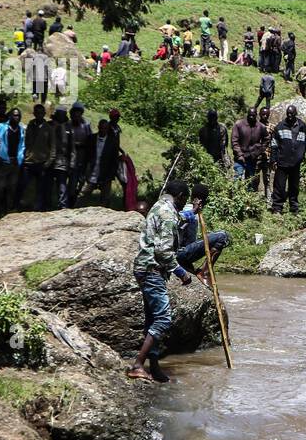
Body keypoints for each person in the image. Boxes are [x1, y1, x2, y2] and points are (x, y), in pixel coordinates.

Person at [127, 179, 194, 382]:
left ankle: (154, 367)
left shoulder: (158, 206)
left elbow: (168, 226)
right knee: (163, 318)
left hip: (144, 268)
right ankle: (138, 364)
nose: (184, 204)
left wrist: (187, 216)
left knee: (152, 318)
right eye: (185, 200)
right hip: (152, 270)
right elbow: (163, 251)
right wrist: (181, 272)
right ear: (180, 196)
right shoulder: (167, 214)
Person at [176, 183, 231, 280]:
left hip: (182, 252)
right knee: (223, 235)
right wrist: (193, 212)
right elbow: (180, 225)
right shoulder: (189, 211)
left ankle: (192, 268)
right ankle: (204, 273)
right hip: (181, 253)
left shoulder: (186, 209)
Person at [0, 107, 26, 219]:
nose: (16, 117)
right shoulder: (1, 127)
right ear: (9, 116)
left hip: (15, 163)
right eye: (14, 115)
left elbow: (23, 145)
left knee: (11, 189)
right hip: (2, 162)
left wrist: (21, 157)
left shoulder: (21, 129)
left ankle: (7, 214)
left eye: (18, 115)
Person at [270, 104, 306, 214]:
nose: (290, 115)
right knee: (279, 187)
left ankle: (294, 209)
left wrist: (301, 155)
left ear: (296, 114)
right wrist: (273, 160)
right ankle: (277, 208)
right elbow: (274, 144)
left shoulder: (302, 126)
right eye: (288, 114)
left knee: (294, 187)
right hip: (282, 162)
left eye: (292, 113)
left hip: (296, 164)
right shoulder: (280, 126)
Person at [21, 102, 55, 211]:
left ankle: (38, 208)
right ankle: (25, 206)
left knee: (41, 188)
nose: (39, 114)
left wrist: (48, 162)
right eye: (37, 112)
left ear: (44, 113)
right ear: (34, 113)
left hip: (42, 162)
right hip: (29, 161)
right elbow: (25, 142)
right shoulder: (30, 126)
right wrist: (25, 156)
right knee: (25, 185)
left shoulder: (49, 129)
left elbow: (53, 148)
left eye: (41, 113)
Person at [84, 118, 121, 207]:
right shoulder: (91, 139)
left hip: (106, 176)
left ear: (108, 129)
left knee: (104, 201)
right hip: (91, 174)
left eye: (105, 128)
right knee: (83, 196)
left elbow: (114, 160)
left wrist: (111, 175)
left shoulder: (112, 142)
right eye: (101, 128)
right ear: (98, 127)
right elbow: (86, 156)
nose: (103, 130)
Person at [64, 102, 93, 207]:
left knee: (79, 183)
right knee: (70, 183)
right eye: (75, 112)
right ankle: (68, 203)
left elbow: (90, 141)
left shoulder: (86, 126)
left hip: (83, 158)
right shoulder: (68, 125)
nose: (77, 115)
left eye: (79, 112)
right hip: (70, 158)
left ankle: (75, 203)